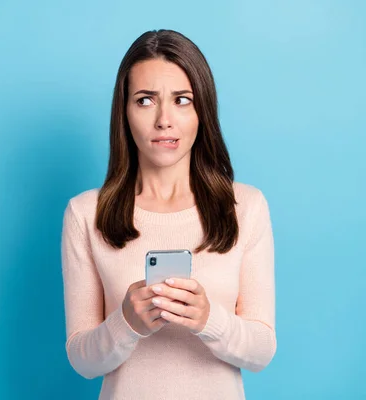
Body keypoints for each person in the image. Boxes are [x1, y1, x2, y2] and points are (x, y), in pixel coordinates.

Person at [60, 29, 276, 400]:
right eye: (145, 100)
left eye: (182, 100)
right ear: (124, 112)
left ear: (201, 110)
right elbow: (82, 361)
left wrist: (210, 320)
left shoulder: (246, 207)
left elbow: (261, 351)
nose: (164, 120)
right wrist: (125, 324)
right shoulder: (85, 213)